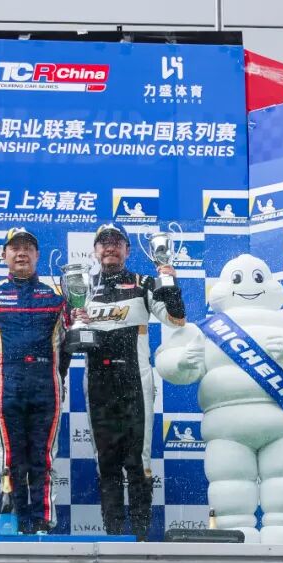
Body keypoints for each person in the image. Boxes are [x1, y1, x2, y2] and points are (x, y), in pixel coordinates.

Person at [74, 223, 186, 540]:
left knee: (139, 462)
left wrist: (169, 281)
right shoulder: (81, 288)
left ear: (127, 250)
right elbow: (68, 338)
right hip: (98, 384)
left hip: (136, 383)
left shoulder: (143, 283)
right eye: (104, 242)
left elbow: (177, 319)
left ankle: (139, 537)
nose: (110, 247)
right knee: (106, 462)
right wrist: (76, 320)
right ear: (95, 250)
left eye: (116, 242)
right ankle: (113, 537)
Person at [0, 227, 70, 534]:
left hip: (46, 385)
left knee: (43, 457)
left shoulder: (57, 294)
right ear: (4, 255)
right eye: (15, 248)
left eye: (28, 248)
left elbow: (69, 343)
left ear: (37, 255)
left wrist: (59, 375)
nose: (22, 253)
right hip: (7, 385)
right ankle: (12, 520)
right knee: (11, 458)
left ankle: (41, 521)